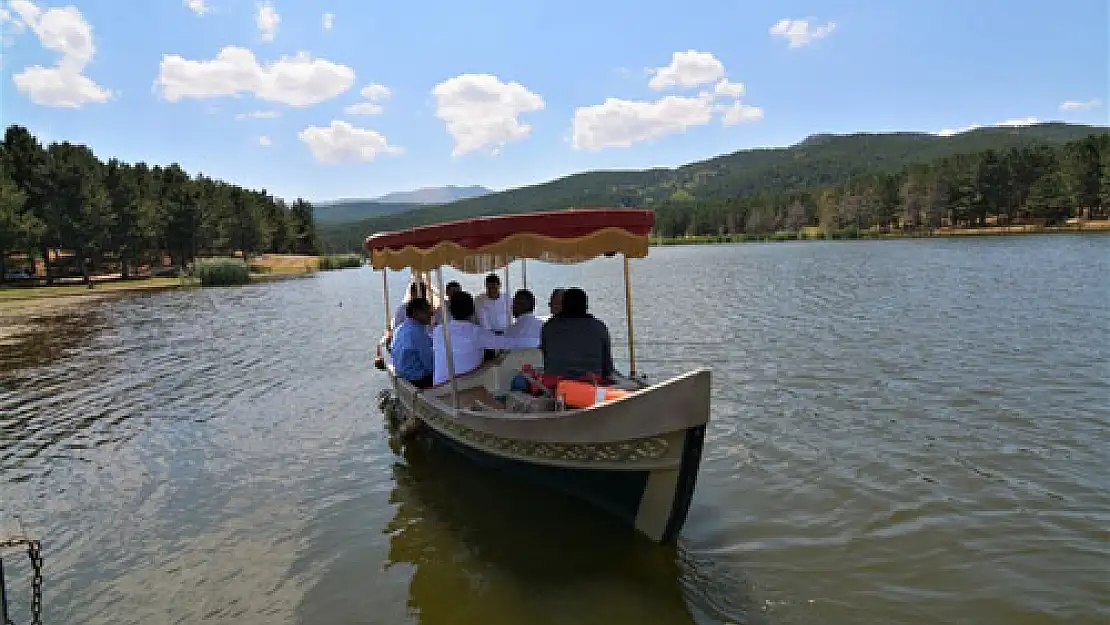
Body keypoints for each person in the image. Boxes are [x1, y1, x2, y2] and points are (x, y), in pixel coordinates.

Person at [431, 292, 536, 385]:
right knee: (495, 362)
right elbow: (512, 343)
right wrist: (539, 341)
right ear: (473, 311)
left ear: (450, 311)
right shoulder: (477, 333)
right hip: (462, 386)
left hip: (437, 386)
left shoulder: (439, 330)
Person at [540, 287, 615, 381]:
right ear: (586, 306)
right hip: (591, 383)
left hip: (556, 384)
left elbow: (546, 359)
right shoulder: (599, 327)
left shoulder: (549, 327)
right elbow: (607, 367)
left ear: (563, 305)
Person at [391, 297, 435, 388]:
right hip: (418, 380)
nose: (431, 314)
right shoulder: (417, 333)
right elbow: (430, 365)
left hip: (403, 375)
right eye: (427, 311)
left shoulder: (401, 328)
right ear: (416, 313)